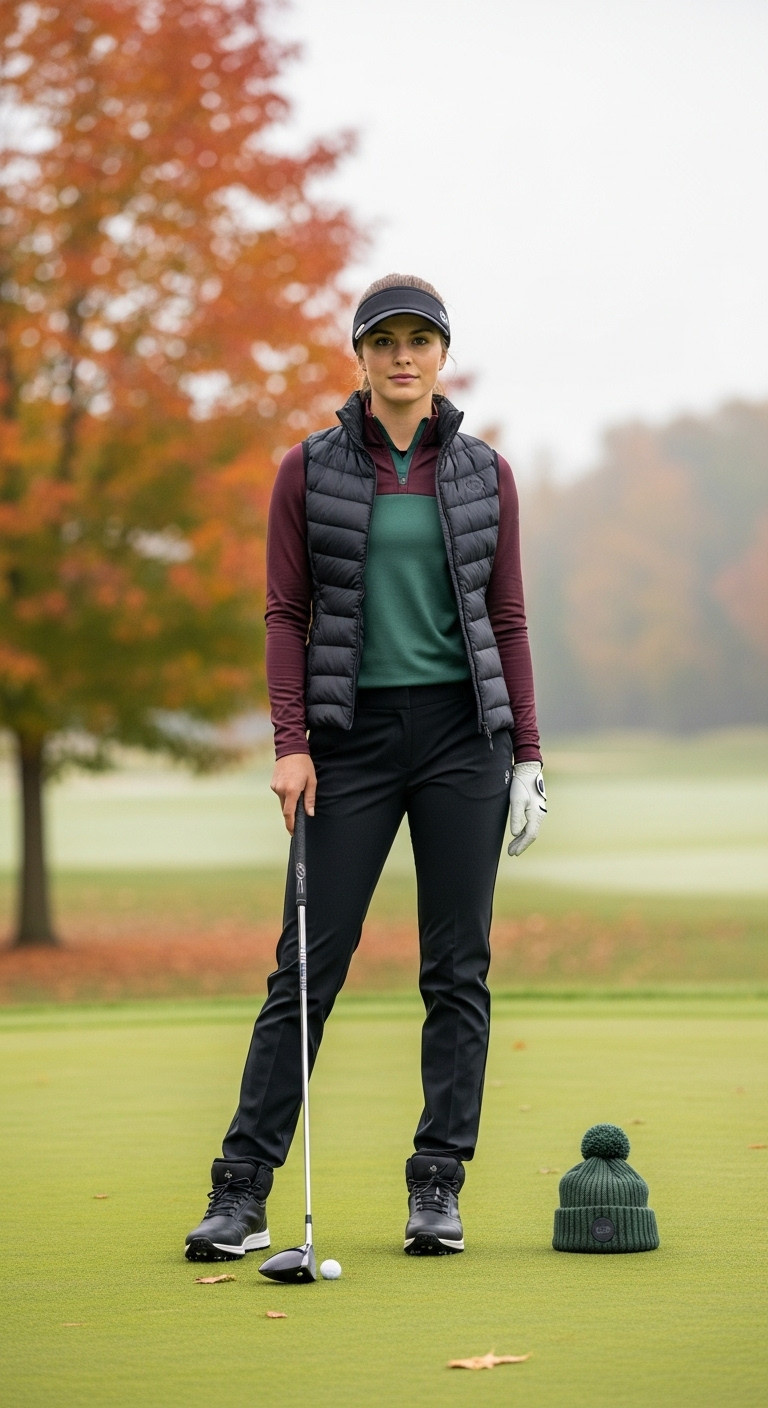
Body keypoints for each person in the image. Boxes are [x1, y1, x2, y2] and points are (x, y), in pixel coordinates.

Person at [185, 274, 546, 1262]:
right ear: (359, 356)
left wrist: (527, 755)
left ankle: (438, 1188)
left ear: (441, 355)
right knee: (307, 966)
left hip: (461, 739)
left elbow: (506, 618)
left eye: (418, 340)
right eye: (383, 340)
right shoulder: (309, 470)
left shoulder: (483, 473)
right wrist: (291, 742)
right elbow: (285, 616)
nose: (401, 357)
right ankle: (241, 1192)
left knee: (455, 970)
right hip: (350, 741)